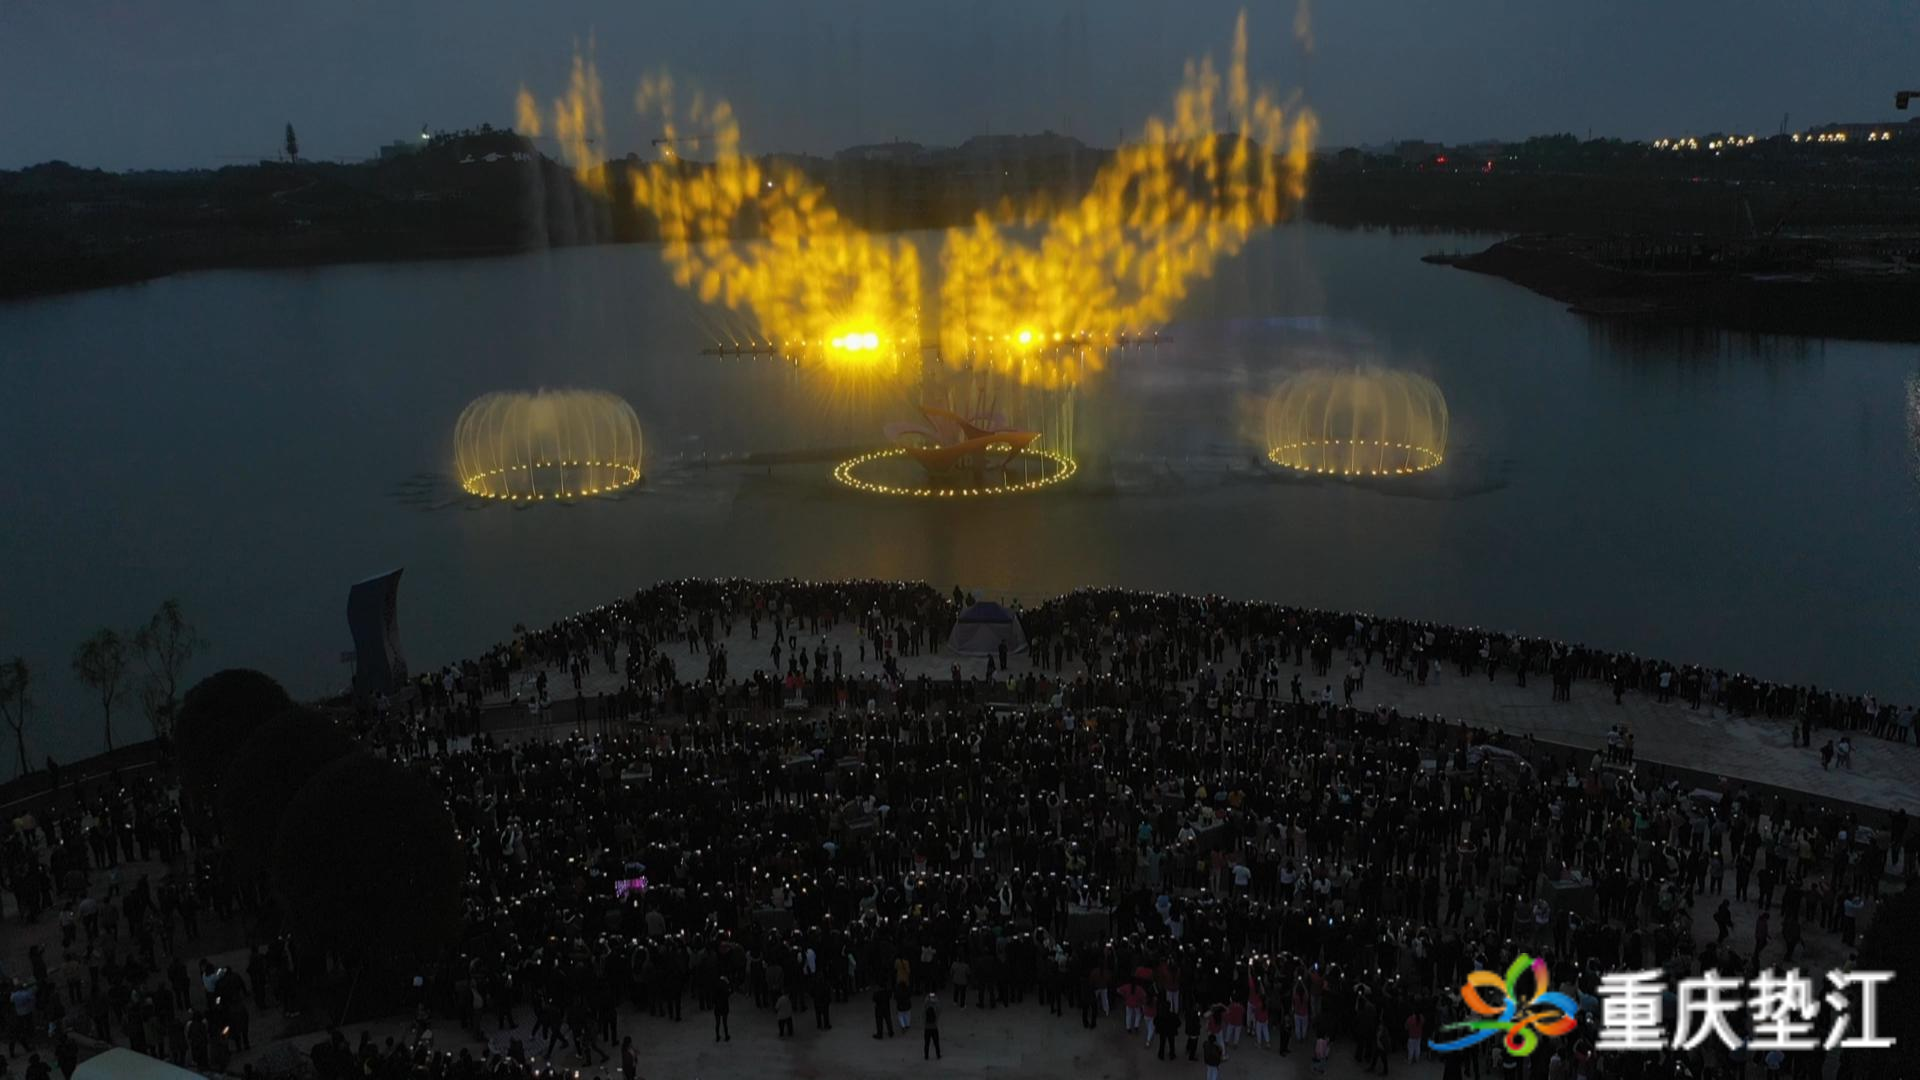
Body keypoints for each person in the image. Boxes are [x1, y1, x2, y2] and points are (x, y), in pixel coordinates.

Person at [923, 994, 942, 1061]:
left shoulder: (925, 1011)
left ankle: (926, 1056)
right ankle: (938, 1055)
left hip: (927, 1028)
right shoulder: (936, 1013)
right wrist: (935, 998)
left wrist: (928, 997)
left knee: (927, 1043)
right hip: (934, 1028)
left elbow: (925, 1003)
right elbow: (939, 1008)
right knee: (936, 1042)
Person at [712, 976, 730, 1043]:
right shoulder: (725, 987)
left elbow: (713, 998)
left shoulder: (715, 987)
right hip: (724, 1006)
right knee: (725, 1023)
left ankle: (717, 1036)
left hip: (717, 1006)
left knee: (717, 1023)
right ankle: (726, 1036)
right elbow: (730, 993)